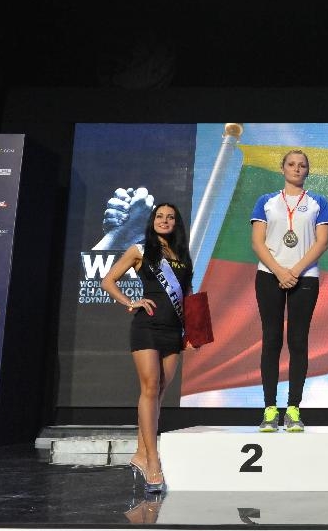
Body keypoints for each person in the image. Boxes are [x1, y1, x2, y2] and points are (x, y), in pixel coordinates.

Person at [101, 203, 194, 493]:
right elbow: (108, 281)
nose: (164, 221)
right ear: (152, 221)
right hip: (147, 328)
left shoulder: (181, 254)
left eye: (170, 217)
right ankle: (152, 460)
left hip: (173, 330)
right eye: (159, 217)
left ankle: (141, 454)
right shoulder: (139, 250)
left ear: (176, 223)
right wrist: (131, 302)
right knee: (150, 388)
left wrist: (192, 331)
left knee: (160, 393)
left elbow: (188, 295)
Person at [251, 149, 328, 432]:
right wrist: (279, 271)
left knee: (298, 341)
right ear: (282, 168)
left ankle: (294, 409)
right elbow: (258, 243)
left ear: (307, 171)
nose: (297, 169)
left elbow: (322, 243)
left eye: (302, 165)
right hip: (269, 276)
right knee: (271, 340)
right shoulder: (267, 202)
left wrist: (294, 271)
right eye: (291, 164)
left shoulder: (318, 202)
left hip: (305, 277)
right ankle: (270, 410)